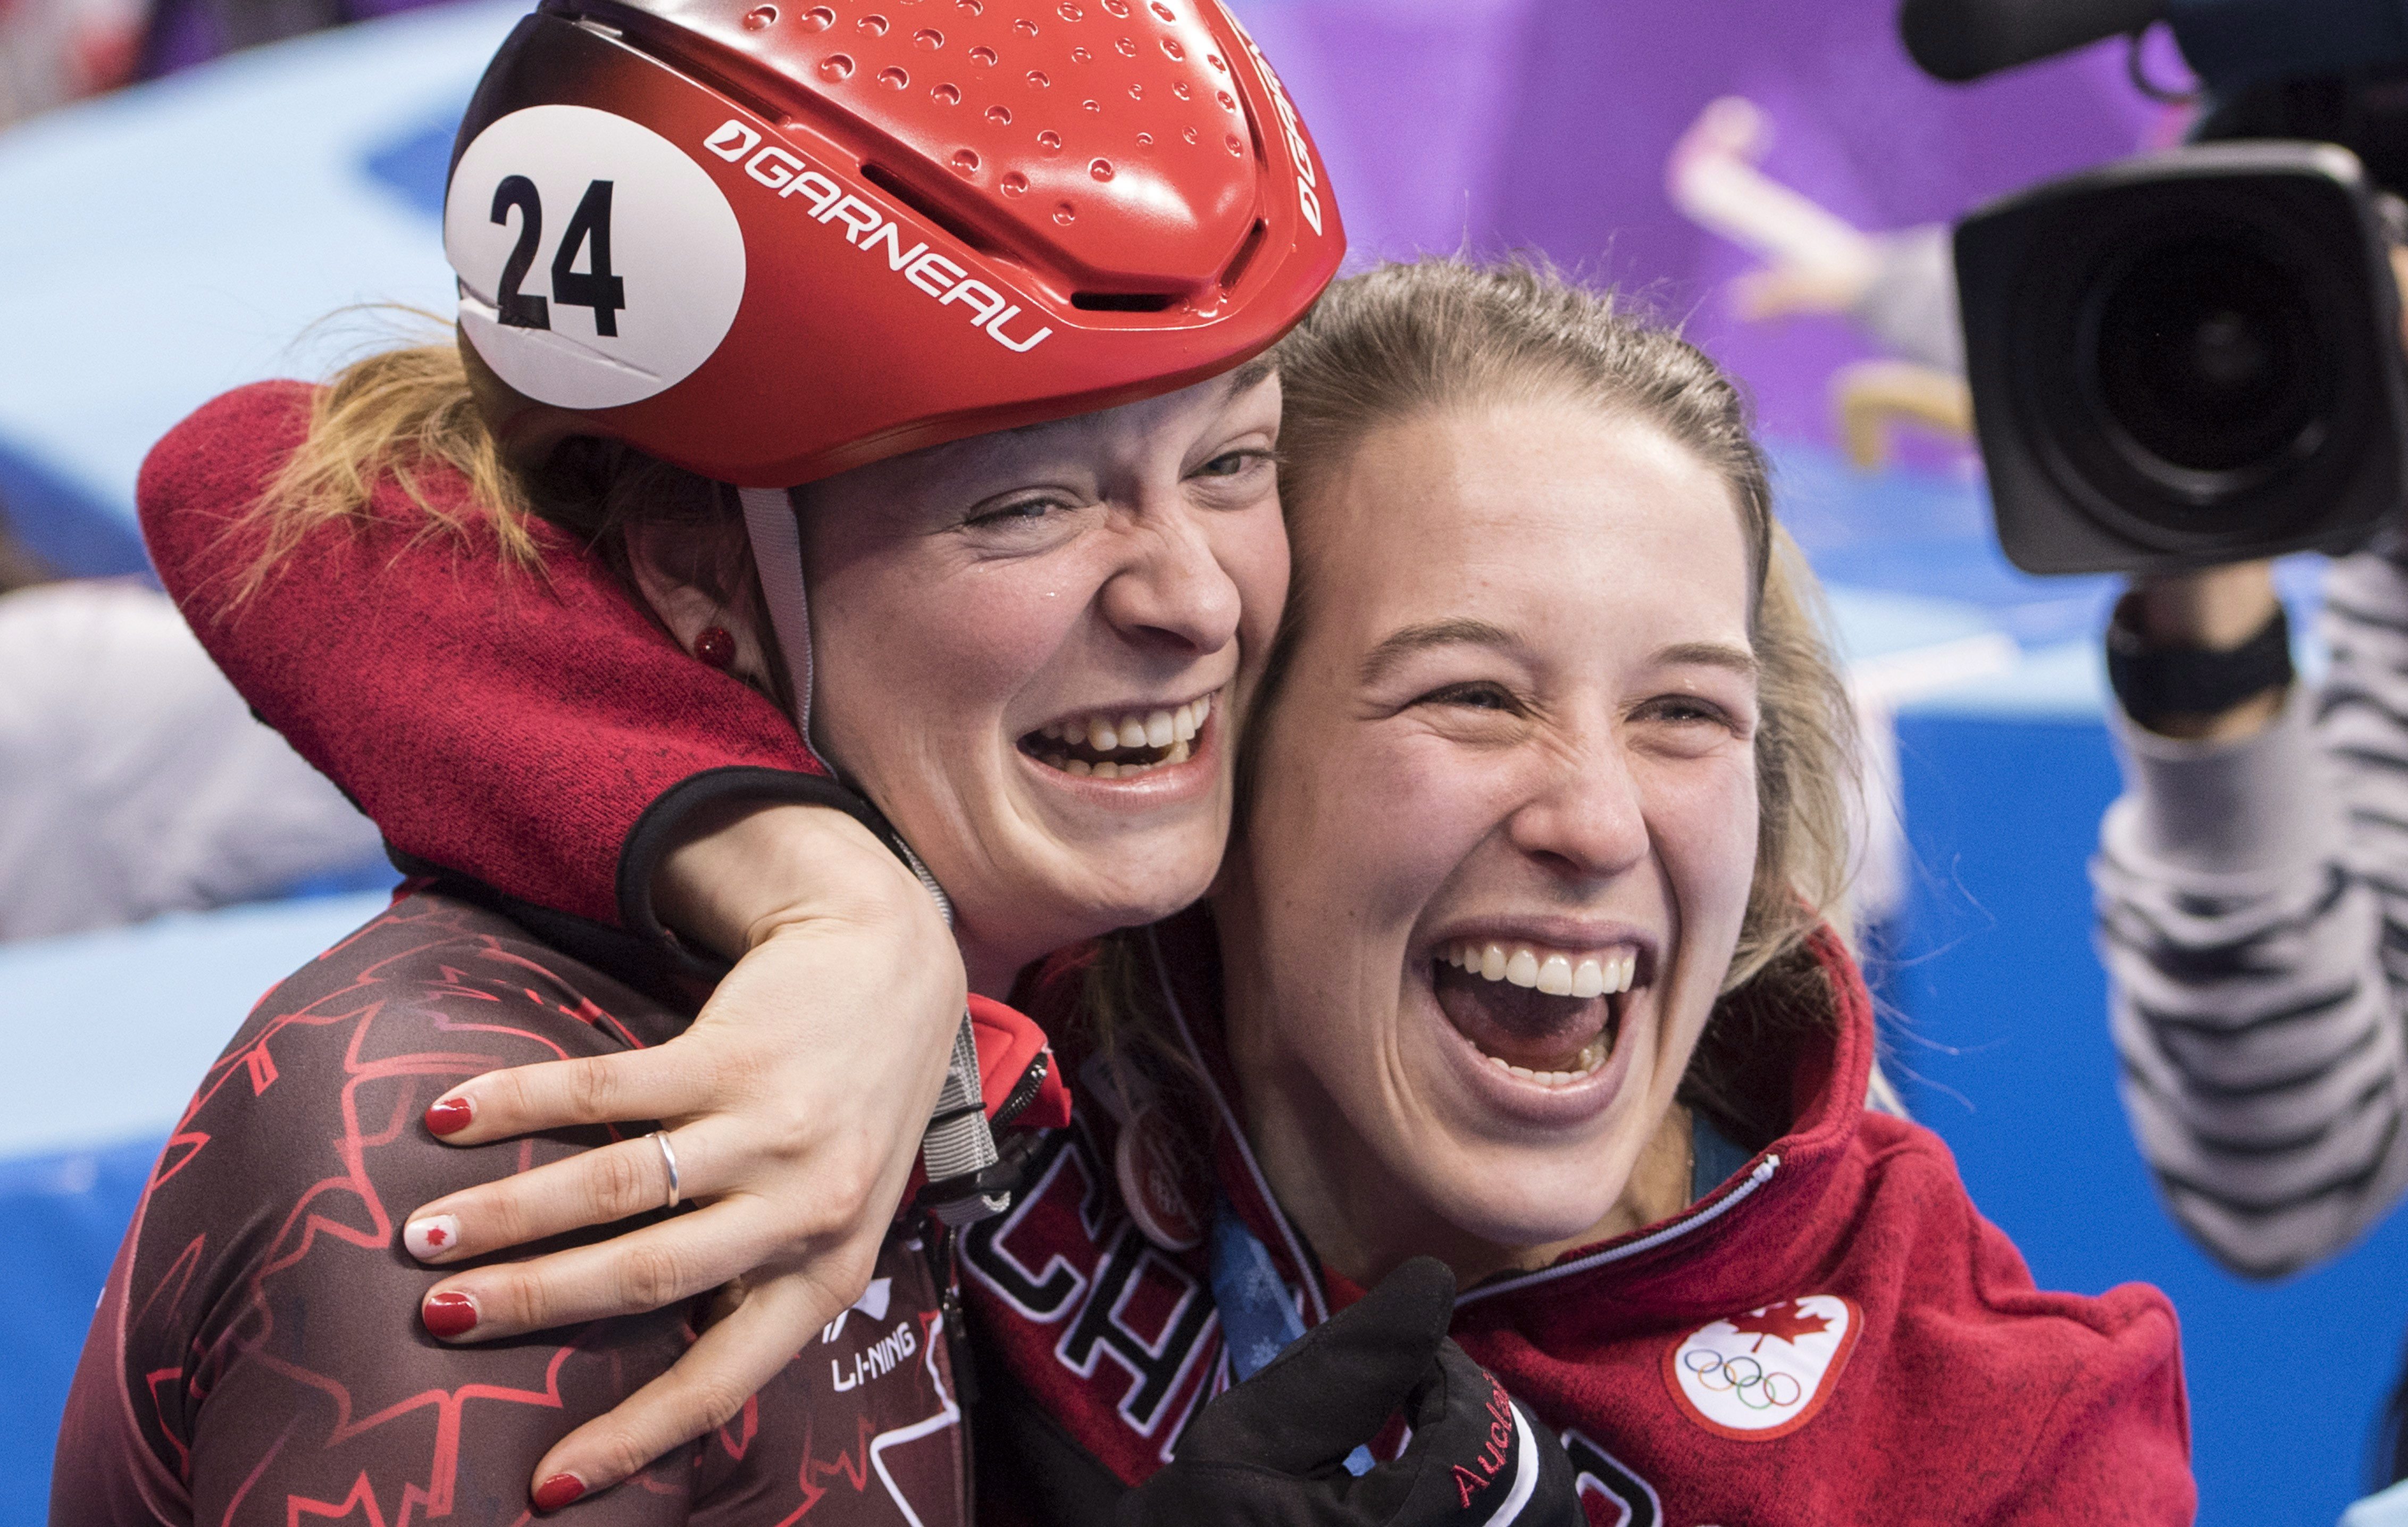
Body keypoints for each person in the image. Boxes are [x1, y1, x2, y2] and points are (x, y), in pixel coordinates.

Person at [139, 255, 2197, 1523]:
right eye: (1466, 699)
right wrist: (831, 898)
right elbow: (267, 483)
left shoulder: (2001, 1428)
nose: (1590, 817)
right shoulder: (1052, 1019)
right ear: (1226, 750)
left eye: (1683, 716)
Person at [50, 0, 1356, 1516]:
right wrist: (828, 886)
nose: (1194, 601)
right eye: (1029, 507)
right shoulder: (488, 1151)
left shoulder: (1091, 909)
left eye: (1233, 461)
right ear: (693, 571)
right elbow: (250, 475)